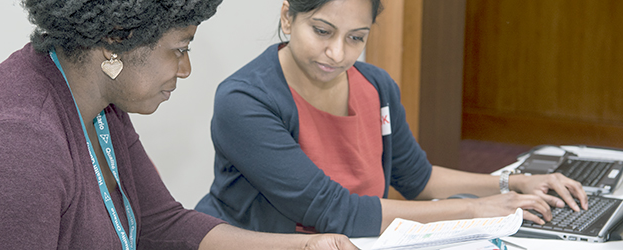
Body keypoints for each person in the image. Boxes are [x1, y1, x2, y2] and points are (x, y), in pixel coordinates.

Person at [0, 1, 358, 249]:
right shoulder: (14, 146)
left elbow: (162, 225)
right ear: (115, 41)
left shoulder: (99, 104)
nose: (186, 68)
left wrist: (305, 245)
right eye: (178, 50)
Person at [195, 0, 589, 238]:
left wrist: (512, 182)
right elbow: (336, 212)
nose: (337, 53)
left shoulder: (376, 86)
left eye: (356, 38)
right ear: (287, 18)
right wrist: (472, 209)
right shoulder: (244, 101)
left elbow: (418, 179)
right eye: (322, 31)